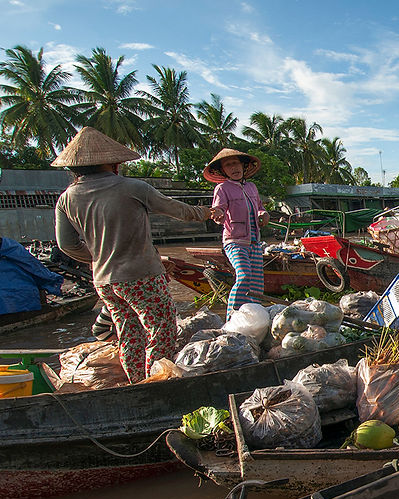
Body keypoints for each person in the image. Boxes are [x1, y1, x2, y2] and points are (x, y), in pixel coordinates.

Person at [53, 127, 220, 383]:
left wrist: (98, 257)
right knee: (162, 330)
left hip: (105, 282)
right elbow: (176, 210)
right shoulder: (132, 187)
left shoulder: (67, 198)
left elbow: (67, 245)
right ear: (110, 162)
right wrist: (207, 213)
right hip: (140, 276)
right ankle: (155, 384)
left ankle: (135, 383)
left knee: (129, 333)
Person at [204, 148, 270, 320]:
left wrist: (263, 214)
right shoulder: (222, 188)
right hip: (234, 241)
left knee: (256, 285)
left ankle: (254, 319)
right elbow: (219, 209)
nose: (233, 167)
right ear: (223, 170)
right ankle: (232, 316)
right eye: (228, 165)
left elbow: (260, 208)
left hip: (254, 241)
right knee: (243, 275)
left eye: (235, 163)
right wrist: (217, 214)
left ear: (243, 166)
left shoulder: (251, 187)